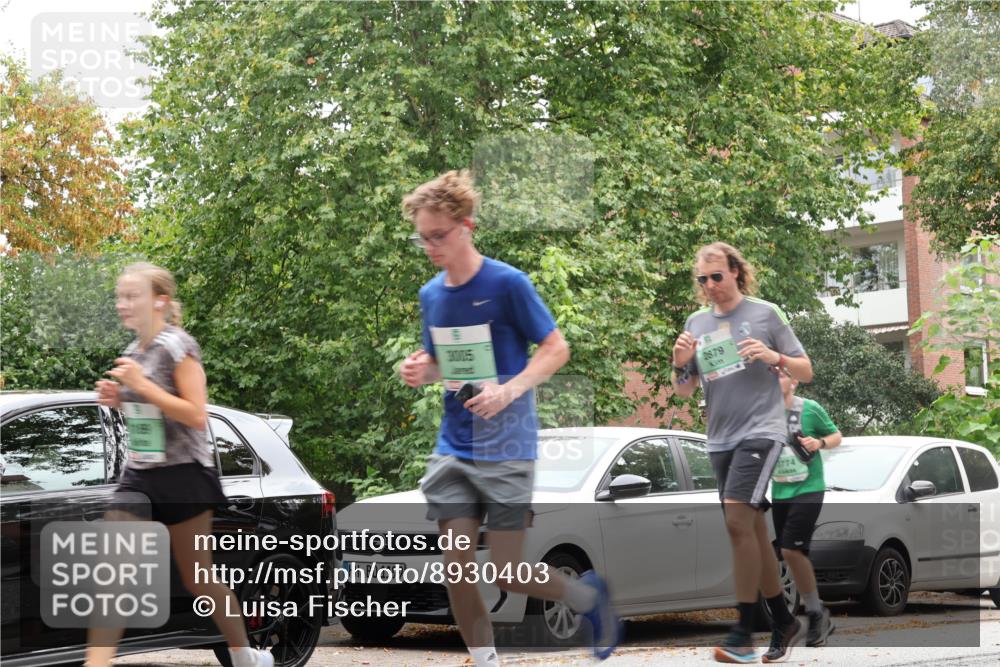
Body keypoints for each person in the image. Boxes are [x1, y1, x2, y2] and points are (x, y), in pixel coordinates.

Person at [398, 171, 622, 666]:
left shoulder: (507, 284)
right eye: (423, 238)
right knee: (456, 567)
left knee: (508, 571)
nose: (430, 246)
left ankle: (587, 597)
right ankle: (486, 660)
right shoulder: (431, 295)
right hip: (454, 447)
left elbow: (556, 348)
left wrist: (509, 390)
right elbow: (442, 364)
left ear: (467, 226)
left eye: (438, 235)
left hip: (507, 446)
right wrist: (420, 369)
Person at [85, 263, 272, 667]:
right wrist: (120, 399)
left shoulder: (178, 346)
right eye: (120, 296)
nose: (122, 304)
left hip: (185, 475)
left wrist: (140, 385)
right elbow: (150, 413)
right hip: (140, 474)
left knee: (198, 578)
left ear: (160, 301)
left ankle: (244, 656)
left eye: (132, 296)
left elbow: (195, 414)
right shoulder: (133, 354)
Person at [670, 242, 813, 664]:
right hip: (719, 439)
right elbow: (684, 389)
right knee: (749, 531)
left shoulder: (765, 314)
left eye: (717, 276)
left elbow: (805, 369)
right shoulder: (696, 322)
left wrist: (773, 355)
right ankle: (783, 620)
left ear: (735, 271)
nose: (710, 285)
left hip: (761, 432)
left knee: (736, 521)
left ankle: (743, 633)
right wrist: (679, 361)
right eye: (703, 279)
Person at [769, 368, 840, 654]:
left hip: (809, 488)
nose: (774, 380)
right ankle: (817, 613)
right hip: (780, 490)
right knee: (794, 553)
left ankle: (814, 613)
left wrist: (818, 442)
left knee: (789, 550)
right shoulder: (763, 412)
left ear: (794, 381)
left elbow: (836, 436)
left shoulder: (809, 409)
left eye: (780, 375)